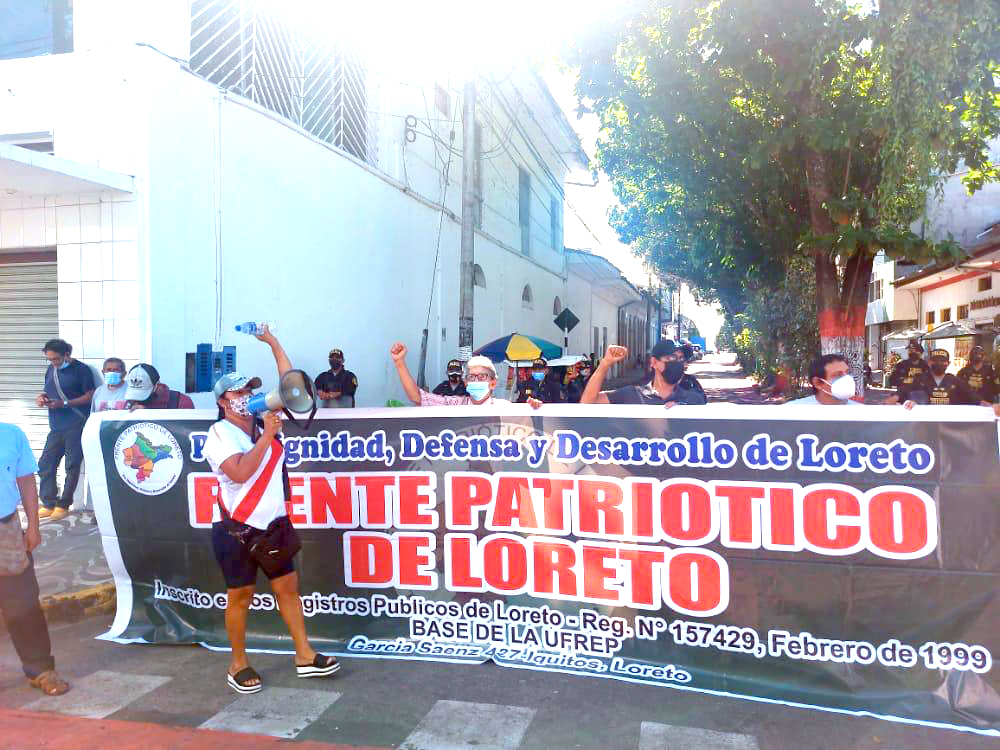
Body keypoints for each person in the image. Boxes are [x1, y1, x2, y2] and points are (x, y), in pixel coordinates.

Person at [203, 326, 339, 694]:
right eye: (238, 392)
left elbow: (291, 384)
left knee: (289, 590)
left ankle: (304, 654)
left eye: (249, 390)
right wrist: (266, 435)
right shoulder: (220, 434)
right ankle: (238, 663)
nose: (246, 397)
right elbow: (240, 472)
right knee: (240, 596)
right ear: (222, 402)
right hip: (236, 529)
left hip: (273, 525)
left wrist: (273, 342)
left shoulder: (263, 422)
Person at [0, 421, 69, 696]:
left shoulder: (11, 434)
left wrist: (33, 526)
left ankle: (40, 669)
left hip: (6, 530)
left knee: (23, 603)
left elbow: (26, 481)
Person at [35, 339, 95, 521]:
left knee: (71, 465)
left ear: (67, 354)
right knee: (45, 464)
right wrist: (42, 398)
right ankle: (48, 502)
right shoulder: (51, 370)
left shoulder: (81, 370)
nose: (53, 363)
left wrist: (66, 403)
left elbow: (90, 395)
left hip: (76, 425)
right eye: (50, 359)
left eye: (56, 359)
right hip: (56, 426)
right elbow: (48, 390)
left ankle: (64, 504)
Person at [390, 342, 541, 408]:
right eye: (472, 377)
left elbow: (527, 423)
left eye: (482, 377)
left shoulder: (504, 407)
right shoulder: (455, 404)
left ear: (493, 383)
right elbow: (417, 397)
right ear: (466, 383)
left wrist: (534, 408)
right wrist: (399, 362)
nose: (476, 380)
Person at [580, 341, 707, 406]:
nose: (676, 363)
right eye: (671, 358)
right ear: (654, 362)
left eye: (680, 359)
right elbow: (587, 402)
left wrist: (683, 410)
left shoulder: (693, 399)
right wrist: (605, 363)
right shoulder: (631, 395)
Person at [902, 349, 996, 409]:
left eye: (942, 361)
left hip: (950, 426)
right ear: (929, 362)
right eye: (936, 361)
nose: (939, 363)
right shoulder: (920, 379)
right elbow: (903, 392)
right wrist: (910, 402)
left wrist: (990, 406)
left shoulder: (955, 380)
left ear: (948, 363)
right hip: (926, 424)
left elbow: (971, 396)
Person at [784, 354, 865, 406]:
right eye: (838, 375)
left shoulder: (863, 414)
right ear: (817, 383)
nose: (847, 379)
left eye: (848, 372)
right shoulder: (792, 412)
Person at [124, 364, 194, 410]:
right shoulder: (127, 404)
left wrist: (148, 414)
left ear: (157, 385)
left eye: (142, 393)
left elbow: (186, 428)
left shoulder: (181, 402)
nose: (137, 399)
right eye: (134, 394)